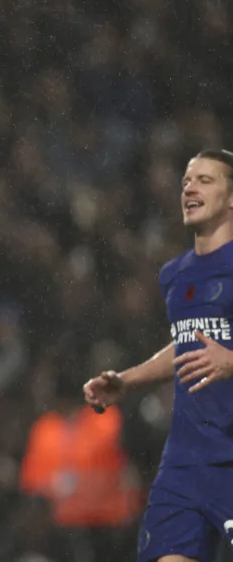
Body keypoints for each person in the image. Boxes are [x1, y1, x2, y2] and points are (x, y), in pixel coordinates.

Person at [83, 149, 233, 562]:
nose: (190, 187)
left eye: (206, 179)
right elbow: (188, 344)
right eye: (187, 179)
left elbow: (222, 350)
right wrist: (127, 381)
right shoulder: (175, 274)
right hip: (185, 463)